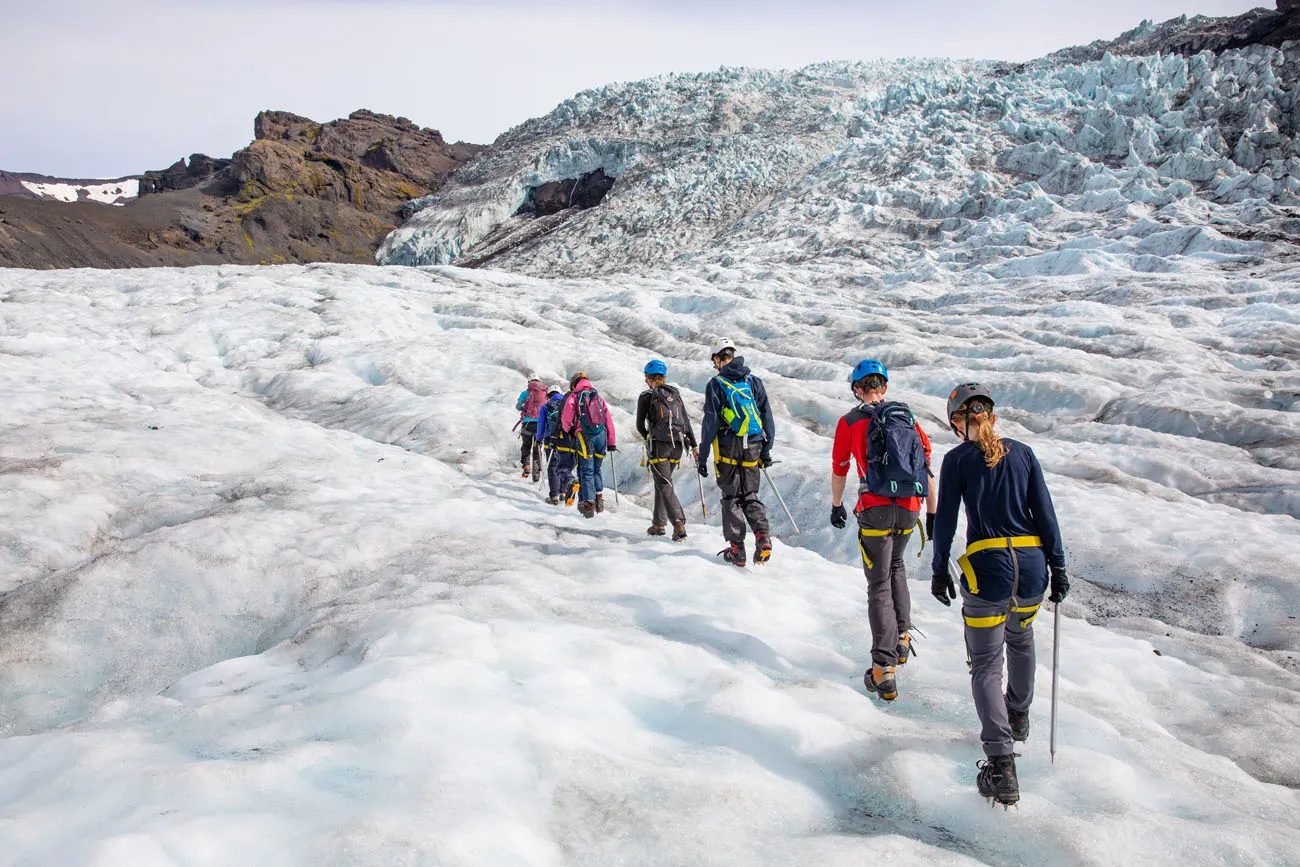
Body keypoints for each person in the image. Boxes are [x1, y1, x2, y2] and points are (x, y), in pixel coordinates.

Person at [930, 382, 1070, 808]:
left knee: (987, 664)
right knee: (1021, 639)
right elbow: (1044, 513)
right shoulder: (1023, 453)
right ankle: (1019, 715)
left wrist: (939, 570)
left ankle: (1001, 763)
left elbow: (946, 522)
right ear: (992, 417)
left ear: (957, 421)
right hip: (1030, 567)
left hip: (989, 569)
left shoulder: (956, 460)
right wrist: (1058, 567)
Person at [829, 359, 937, 703]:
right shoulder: (907, 419)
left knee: (878, 585)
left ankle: (883, 667)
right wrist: (932, 514)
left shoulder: (850, 422)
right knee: (897, 567)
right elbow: (925, 467)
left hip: (874, 510)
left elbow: (840, 467)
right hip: (909, 509)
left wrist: (836, 505)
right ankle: (902, 637)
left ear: (857, 389)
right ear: (884, 386)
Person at [696, 338, 774, 566]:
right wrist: (766, 451)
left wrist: (703, 456)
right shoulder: (754, 381)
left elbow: (710, 423)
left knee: (731, 497)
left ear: (719, 359)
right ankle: (763, 536)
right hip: (755, 444)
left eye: (715, 361)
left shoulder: (716, 384)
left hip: (728, 446)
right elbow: (767, 418)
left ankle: (737, 550)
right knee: (750, 495)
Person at [636, 359, 699, 541]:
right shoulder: (675, 394)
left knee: (664, 484)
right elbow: (685, 421)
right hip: (678, 446)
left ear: (648, 378)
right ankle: (658, 524)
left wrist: (648, 436)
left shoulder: (646, 396)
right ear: (664, 377)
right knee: (663, 483)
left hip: (658, 446)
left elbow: (640, 424)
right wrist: (693, 445)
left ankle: (678, 523)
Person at [560, 371, 617, 518]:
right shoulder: (597, 397)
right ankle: (599, 500)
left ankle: (588, 504)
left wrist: (569, 431)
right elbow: (608, 419)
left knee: (586, 470)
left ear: (574, 383)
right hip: (601, 436)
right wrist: (611, 441)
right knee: (597, 469)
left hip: (584, 436)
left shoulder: (574, 397)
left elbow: (566, 419)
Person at [537, 389, 578, 506]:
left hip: (550, 437)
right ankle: (563, 492)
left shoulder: (546, 406)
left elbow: (541, 424)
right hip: (566, 439)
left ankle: (554, 495)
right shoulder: (569, 403)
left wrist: (539, 438)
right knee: (563, 464)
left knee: (552, 465)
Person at [515, 376, 548, 481]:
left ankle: (526, 466)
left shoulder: (526, 393)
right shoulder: (545, 392)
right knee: (537, 448)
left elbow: (518, 406)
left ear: (529, 382)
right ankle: (536, 473)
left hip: (527, 423)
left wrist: (524, 408)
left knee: (526, 446)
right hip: (540, 425)